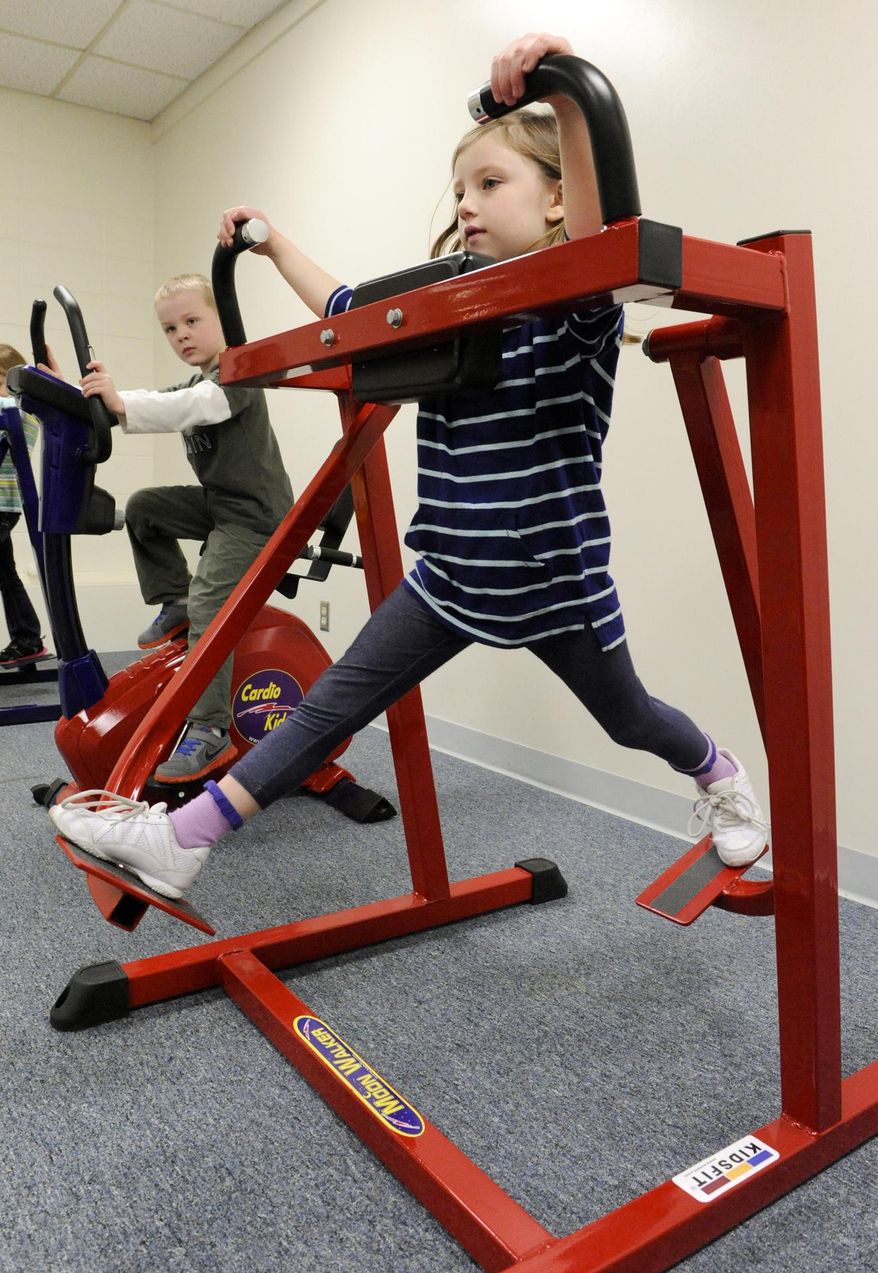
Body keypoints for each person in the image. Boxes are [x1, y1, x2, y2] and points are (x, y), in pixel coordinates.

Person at [50, 32, 767, 899]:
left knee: (632, 718)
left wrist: (566, 95)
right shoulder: (443, 309)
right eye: (460, 189)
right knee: (327, 709)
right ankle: (183, 840)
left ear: (552, 204)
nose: (467, 202)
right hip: (450, 578)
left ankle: (720, 775)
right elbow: (351, 309)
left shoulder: (579, 309)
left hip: (554, 583)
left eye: (492, 183)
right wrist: (274, 246)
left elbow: (606, 229)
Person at [51, 274, 293, 783]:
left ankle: (210, 731)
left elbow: (188, 408)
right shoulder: (195, 381)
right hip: (219, 504)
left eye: (191, 321)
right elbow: (153, 401)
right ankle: (174, 597)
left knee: (213, 608)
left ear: (222, 319)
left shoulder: (235, 374)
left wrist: (122, 402)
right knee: (144, 507)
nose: (181, 334)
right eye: (169, 329)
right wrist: (76, 394)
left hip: (255, 516)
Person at [0, 344, 51, 668]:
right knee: (7, 574)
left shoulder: (20, 410)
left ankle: (28, 637)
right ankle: (28, 638)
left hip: (4, 505)